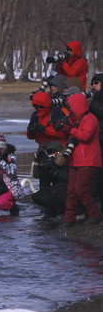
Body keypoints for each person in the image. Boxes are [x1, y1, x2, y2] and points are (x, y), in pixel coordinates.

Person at [59, 93, 102, 227]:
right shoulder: (76, 120)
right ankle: (69, 218)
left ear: (77, 106)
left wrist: (70, 129)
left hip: (88, 160)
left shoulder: (90, 119)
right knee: (71, 190)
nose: (70, 109)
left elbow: (85, 136)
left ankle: (95, 215)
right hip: (76, 160)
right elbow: (71, 135)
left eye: (71, 106)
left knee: (81, 190)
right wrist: (63, 128)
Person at [31, 140, 69, 220]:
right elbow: (36, 175)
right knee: (37, 196)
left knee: (45, 196)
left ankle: (62, 210)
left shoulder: (65, 162)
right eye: (49, 152)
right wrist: (38, 162)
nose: (52, 154)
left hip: (65, 195)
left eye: (54, 152)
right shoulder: (49, 163)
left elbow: (64, 178)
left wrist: (53, 167)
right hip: (55, 192)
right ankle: (52, 210)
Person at [88, 73, 103, 206]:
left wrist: (91, 104)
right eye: (92, 83)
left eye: (96, 82)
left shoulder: (95, 102)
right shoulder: (94, 98)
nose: (93, 85)